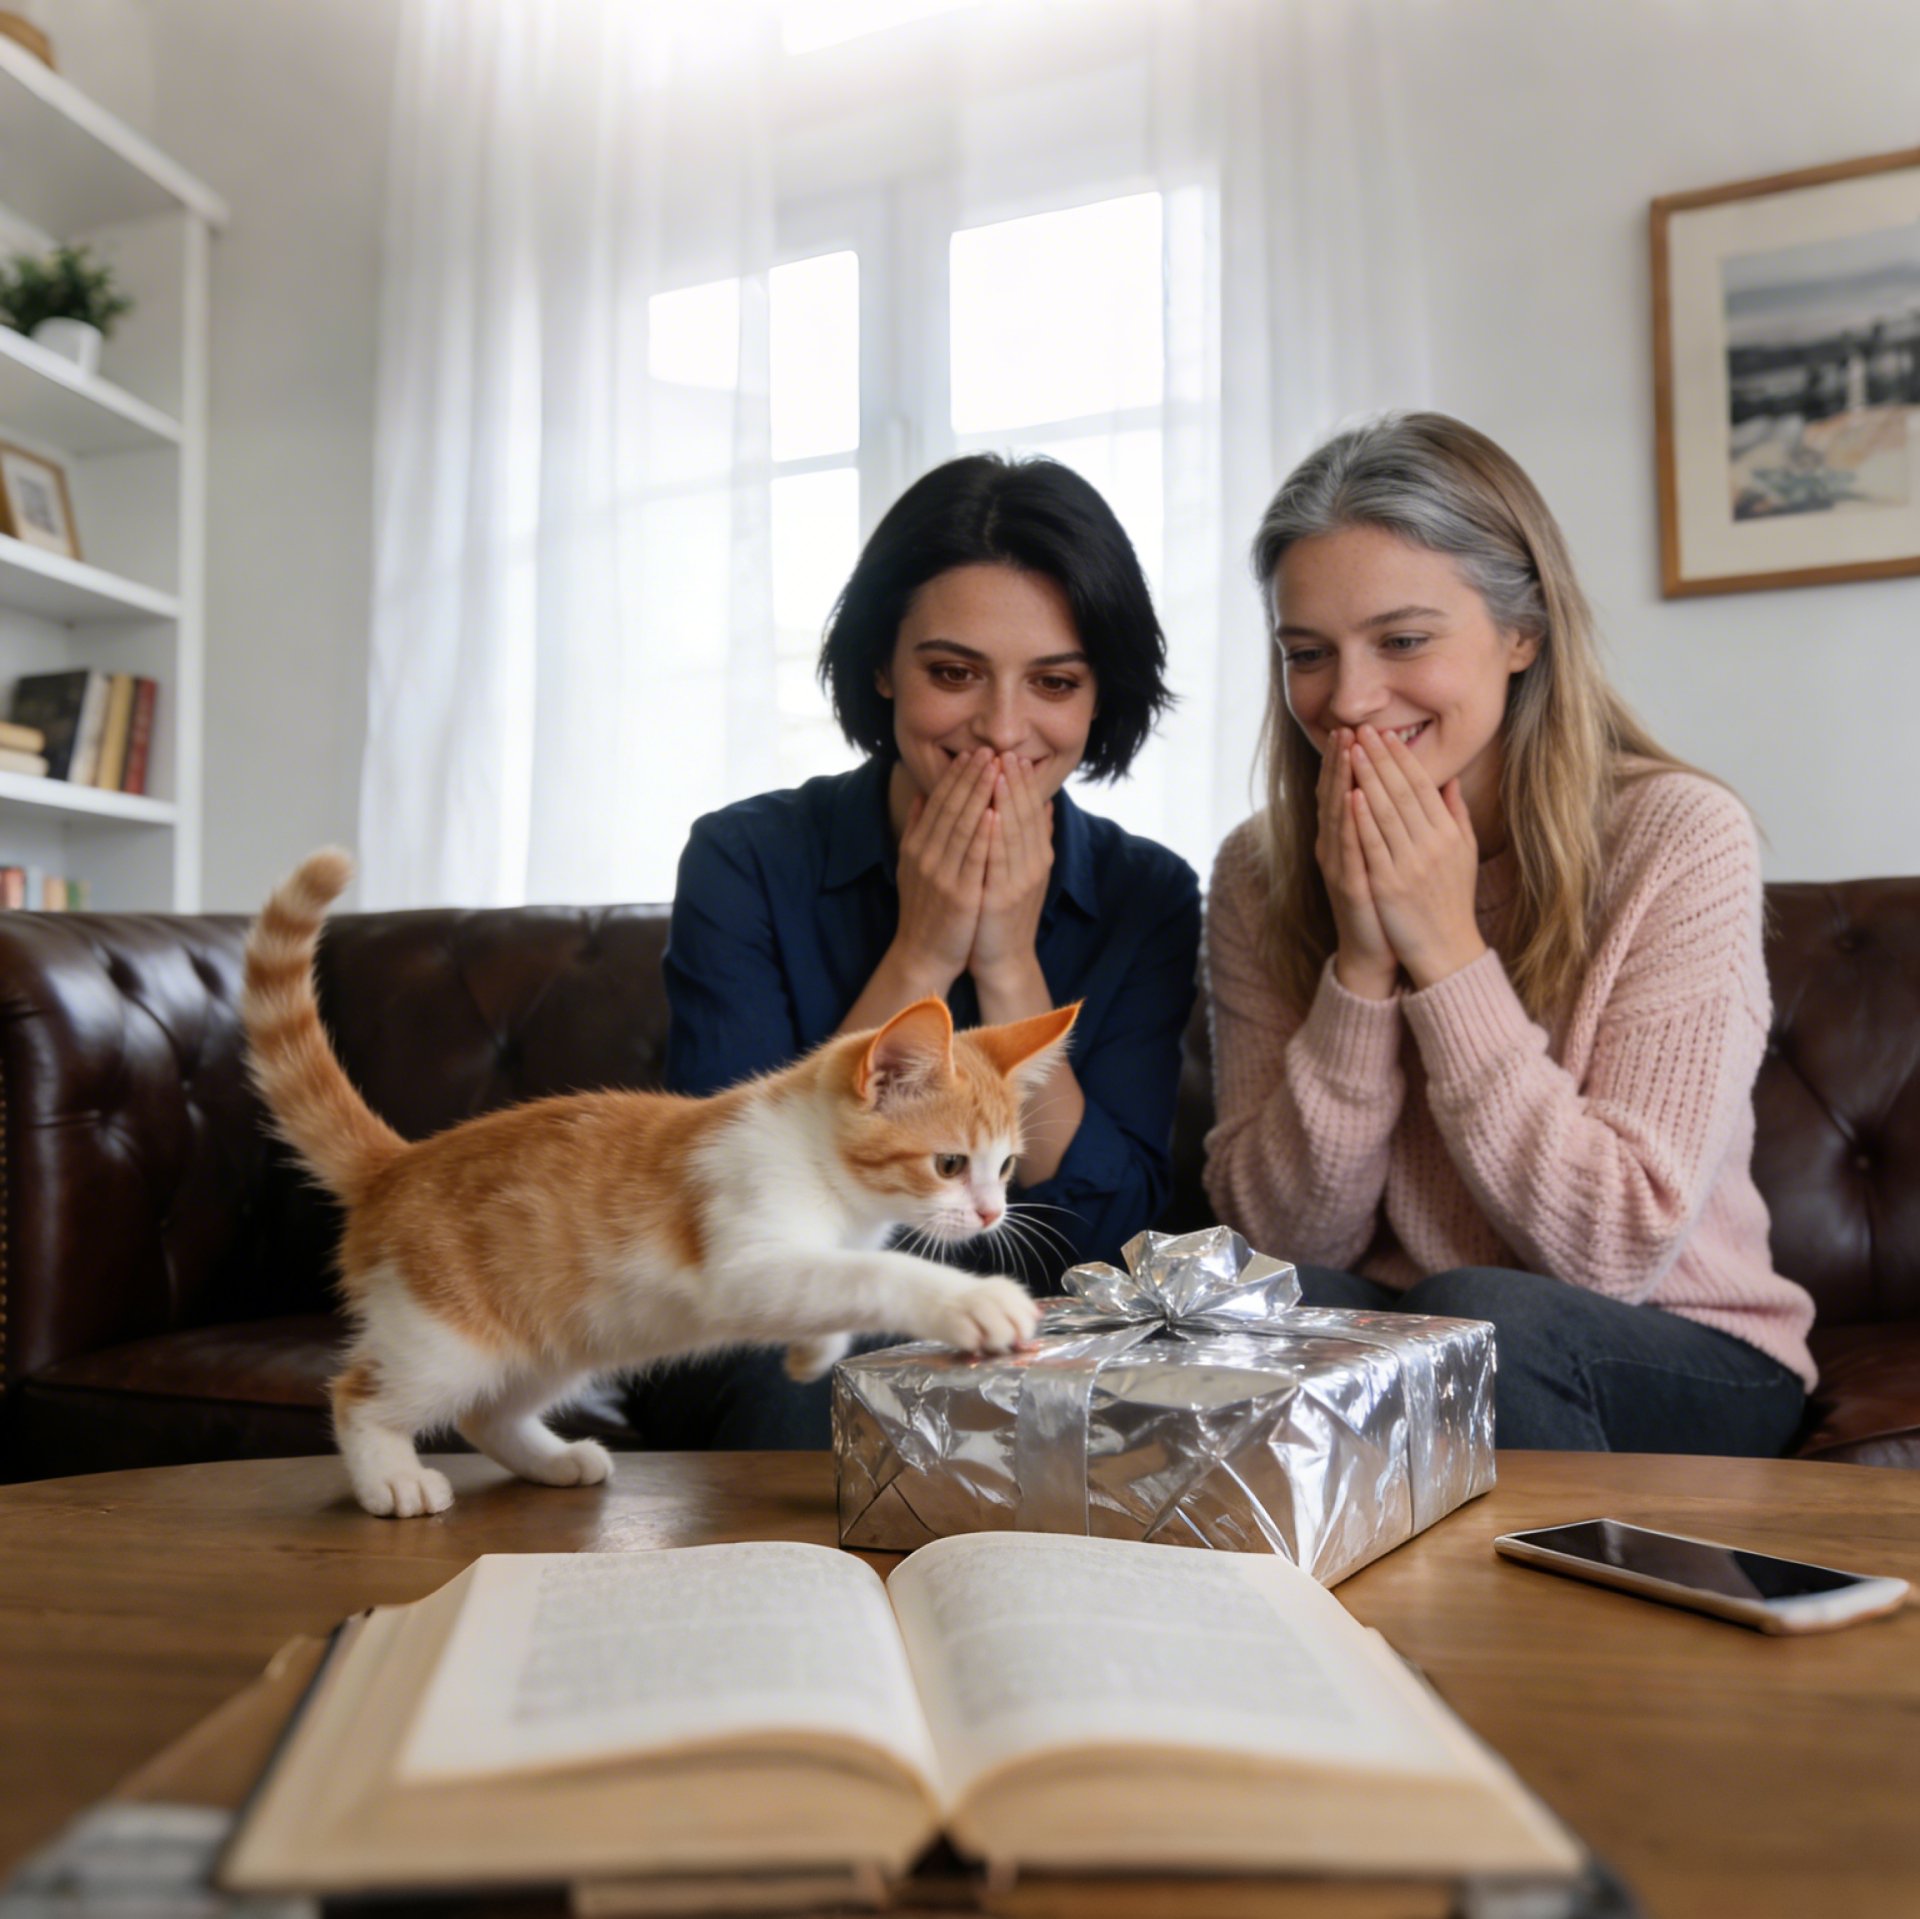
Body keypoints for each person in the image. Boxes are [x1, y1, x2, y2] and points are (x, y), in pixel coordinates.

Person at [1204, 412, 1814, 1453]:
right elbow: (1281, 1243)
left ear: (1522, 633)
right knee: (1273, 1312)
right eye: (1308, 653)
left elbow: (1614, 1247)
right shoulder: (1259, 872)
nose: (1348, 700)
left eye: (1403, 640)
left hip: (1678, 1340)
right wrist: (1361, 967)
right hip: (1418, 1326)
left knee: (1483, 1317)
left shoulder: (1678, 834)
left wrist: (1445, 953)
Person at [627, 453, 1201, 1448]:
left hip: (1040, 1312)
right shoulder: (745, 857)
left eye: (1054, 682)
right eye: (953, 673)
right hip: (783, 1315)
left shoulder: (1146, 893)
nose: (1002, 729)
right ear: (883, 666)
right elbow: (721, 1188)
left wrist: (1009, 965)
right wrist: (923, 953)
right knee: (806, 1383)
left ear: (1097, 695)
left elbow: (1115, 1236)